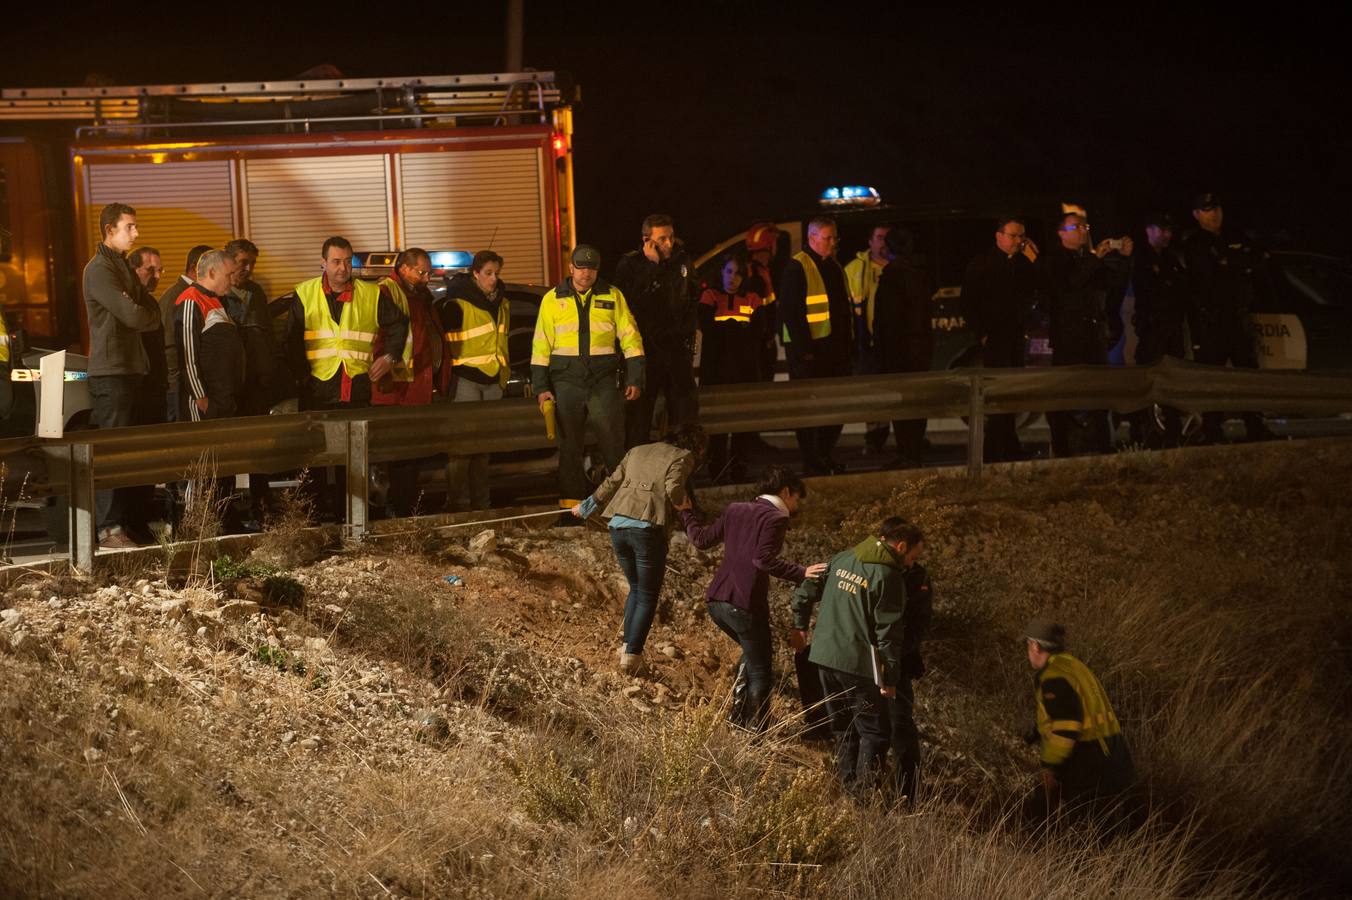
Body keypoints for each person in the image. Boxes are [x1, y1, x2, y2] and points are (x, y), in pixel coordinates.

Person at [681, 465, 826, 731]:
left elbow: (700, 540)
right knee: (761, 670)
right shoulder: (775, 519)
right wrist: (802, 572)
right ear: (785, 491)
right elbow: (762, 560)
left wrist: (686, 512)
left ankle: (737, 719)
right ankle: (756, 732)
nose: (795, 507)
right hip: (745, 605)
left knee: (751, 656)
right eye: (796, 499)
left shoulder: (736, 509)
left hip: (716, 601)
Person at [790, 518, 916, 797]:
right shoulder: (888, 577)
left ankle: (846, 787)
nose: (910, 564)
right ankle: (864, 798)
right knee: (874, 733)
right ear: (901, 546)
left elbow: (807, 587)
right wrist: (890, 678)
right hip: (858, 664)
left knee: (843, 727)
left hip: (824, 658)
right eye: (912, 557)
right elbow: (889, 634)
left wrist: (799, 623)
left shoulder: (843, 558)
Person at [571, 423, 707, 674]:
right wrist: (684, 506)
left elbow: (611, 482)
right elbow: (674, 487)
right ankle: (632, 657)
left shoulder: (637, 450)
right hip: (646, 528)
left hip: (618, 526)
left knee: (636, 589)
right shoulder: (683, 456)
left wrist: (587, 506)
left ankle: (627, 648)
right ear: (694, 447)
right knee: (647, 594)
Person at [531, 244, 644, 511]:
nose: (586, 274)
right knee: (570, 447)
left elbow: (631, 338)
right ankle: (571, 508)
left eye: (591, 269)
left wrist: (636, 378)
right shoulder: (552, 299)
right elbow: (541, 344)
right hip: (566, 382)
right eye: (581, 267)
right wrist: (541, 387)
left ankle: (622, 506)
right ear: (571, 268)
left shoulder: (613, 296)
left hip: (603, 380)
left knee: (613, 443)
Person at [82, 203, 162, 548]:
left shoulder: (121, 267)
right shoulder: (99, 270)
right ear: (109, 230)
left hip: (131, 369)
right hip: (112, 372)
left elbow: (151, 309)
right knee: (113, 453)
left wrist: (139, 307)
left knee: (132, 453)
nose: (136, 233)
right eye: (130, 227)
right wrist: (137, 308)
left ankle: (130, 524)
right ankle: (108, 530)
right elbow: (133, 315)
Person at [1021, 618, 1135, 828]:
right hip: (1114, 753)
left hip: (1091, 761)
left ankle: (1033, 848)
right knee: (1098, 827)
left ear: (1035, 646)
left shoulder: (1053, 676)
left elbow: (1066, 726)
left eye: (1028, 646)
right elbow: (1068, 711)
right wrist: (1033, 735)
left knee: (1085, 829)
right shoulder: (1073, 665)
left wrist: (1049, 767)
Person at [1181, 193, 1276, 443]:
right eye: (1206, 210)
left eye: (1216, 209)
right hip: (1211, 321)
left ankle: (1255, 426)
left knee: (1247, 375)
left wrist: (1230, 262)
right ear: (1196, 215)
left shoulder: (1234, 235)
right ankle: (1213, 431)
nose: (1213, 214)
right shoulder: (1195, 243)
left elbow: (1260, 259)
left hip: (1238, 317)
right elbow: (1208, 275)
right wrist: (1237, 262)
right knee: (1213, 378)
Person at [280, 236, 408, 412]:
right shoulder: (305, 293)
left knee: (358, 438)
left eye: (348, 261)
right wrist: (302, 376)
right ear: (323, 263)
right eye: (336, 261)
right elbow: (291, 340)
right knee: (318, 439)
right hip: (316, 390)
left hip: (357, 388)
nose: (343, 268)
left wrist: (390, 357)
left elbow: (399, 323)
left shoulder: (371, 294)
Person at [1040, 211, 1132, 456]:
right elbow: (1070, 284)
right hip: (1068, 340)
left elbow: (1112, 284)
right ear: (1061, 234)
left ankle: (1101, 445)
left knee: (1098, 395)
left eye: (1085, 226)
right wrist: (1093, 258)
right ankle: (1063, 448)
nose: (1083, 231)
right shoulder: (1054, 260)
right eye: (1075, 227)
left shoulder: (1088, 260)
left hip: (1094, 338)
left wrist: (1122, 259)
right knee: (1065, 397)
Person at [613, 214, 700, 448]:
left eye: (671, 237)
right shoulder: (631, 265)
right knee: (639, 420)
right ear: (646, 241)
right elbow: (629, 304)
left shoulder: (682, 260)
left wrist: (687, 334)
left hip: (677, 351)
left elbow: (692, 298)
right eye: (662, 239)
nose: (669, 244)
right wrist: (653, 266)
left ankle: (682, 471)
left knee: (684, 416)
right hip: (646, 351)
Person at [778, 216, 854, 475]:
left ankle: (824, 455)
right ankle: (813, 461)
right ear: (812, 238)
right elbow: (791, 314)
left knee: (836, 409)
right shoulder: (797, 267)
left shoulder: (833, 266)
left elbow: (842, 311)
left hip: (835, 352)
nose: (833, 243)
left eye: (835, 237)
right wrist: (805, 351)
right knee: (810, 411)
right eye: (827, 238)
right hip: (809, 355)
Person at [961, 216, 1040, 462]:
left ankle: (1010, 444)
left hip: (1016, 336)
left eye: (1021, 237)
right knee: (997, 395)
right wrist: (982, 333)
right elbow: (969, 301)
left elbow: (1035, 288)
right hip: (995, 337)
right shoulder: (983, 263)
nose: (1017, 241)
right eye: (1013, 236)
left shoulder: (1022, 263)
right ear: (999, 236)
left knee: (1013, 393)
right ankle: (994, 449)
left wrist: (1033, 261)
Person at [439, 250, 509, 512]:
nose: (493, 279)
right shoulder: (458, 301)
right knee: (462, 449)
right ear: (475, 273)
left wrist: (504, 375)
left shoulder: (503, 302)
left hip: (493, 380)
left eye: (497, 273)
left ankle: (482, 505)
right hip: (466, 379)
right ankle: (458, 504)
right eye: (488, 273)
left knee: (483, 450)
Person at [372, 247, 439, 517]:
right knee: (399, 457)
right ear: (404, 269)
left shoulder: (419, 296)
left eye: (428, 273)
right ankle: (400, 511)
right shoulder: (387, 291)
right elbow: (379, 337)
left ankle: (407, 509)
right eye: (421, 272)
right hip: (395, 387)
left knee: (411, 456)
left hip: (414, 387)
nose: (426, 278)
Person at [697, 252, 765, 482]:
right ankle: (717, 469)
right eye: (729, 272)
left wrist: (729, 328)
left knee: (742, 426)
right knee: (717, 428)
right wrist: (737, 328)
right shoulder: (710, 296)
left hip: (743, 371)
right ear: (721, 272)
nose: (732, 278)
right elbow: (708, 328)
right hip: (716, 371)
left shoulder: (753, 299)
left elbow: (759, 332)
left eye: (738, 273)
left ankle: (738, 469)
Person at [870, 227, 933, 468]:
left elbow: (887, 320)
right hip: (920, 349)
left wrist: (882, 351)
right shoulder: (919, 272)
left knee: (904, 404)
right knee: (918, 403)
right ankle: (913, 450)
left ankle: (908, 453)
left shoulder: (893, 275)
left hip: (900, 352)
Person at [1131, 213, 1192, 447]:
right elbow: (1152, 291)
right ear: (1149, 230)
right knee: (1149, 379)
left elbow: (1181, 289)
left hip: (1172, 327)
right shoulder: (1141, 257)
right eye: (1161, 230)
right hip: (1152, 328)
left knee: (1173, 378)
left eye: (1169, 230)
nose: (1166, 235)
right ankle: (1146, 430)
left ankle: (1172, 429)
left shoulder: (1170, 258)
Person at [885, 547, 932, 803]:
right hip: (873, 658)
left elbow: (919, 622)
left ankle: (908, 794)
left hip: (898, 661)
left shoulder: (917, 577)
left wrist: (899, 653)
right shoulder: (878, 570)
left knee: (900, 723)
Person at [844, 224, 893, 454]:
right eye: (880, 238)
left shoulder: (897, 267)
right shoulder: (854, 269)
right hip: (867, 343)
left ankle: (897, 437)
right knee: (873, 394)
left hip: (892, 341)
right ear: (870, 242)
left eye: (887, 238)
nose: (883, 243)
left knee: (894, 392)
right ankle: (874, 438)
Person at [159, 244, 213, 423]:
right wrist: (178, 381)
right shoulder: (180, 295)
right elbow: (171, 345)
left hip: (186, 384)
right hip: (179, 386)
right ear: (194, 268)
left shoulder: (189, 293)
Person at [744, 221, 783, 387]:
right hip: (760, 345)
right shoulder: (757, 276)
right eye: (774, 243)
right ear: (768, 245)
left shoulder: (758, 271)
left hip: (760, 342)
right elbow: (759, 312)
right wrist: (767, 337)